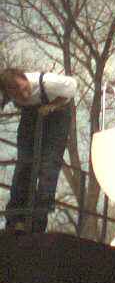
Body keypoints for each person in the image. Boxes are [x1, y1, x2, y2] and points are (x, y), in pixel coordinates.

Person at [0, 68, 76, 233]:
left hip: (57, 115)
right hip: (31, 115)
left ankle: (38, 222)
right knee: (24, 165)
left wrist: (52, 106)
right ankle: (16, 219)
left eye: (24, 89)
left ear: (24, 78)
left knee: (49, 166)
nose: (24, 95)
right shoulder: (7, 91)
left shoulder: (47, 82)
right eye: (17, 95)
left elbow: (72, 86)